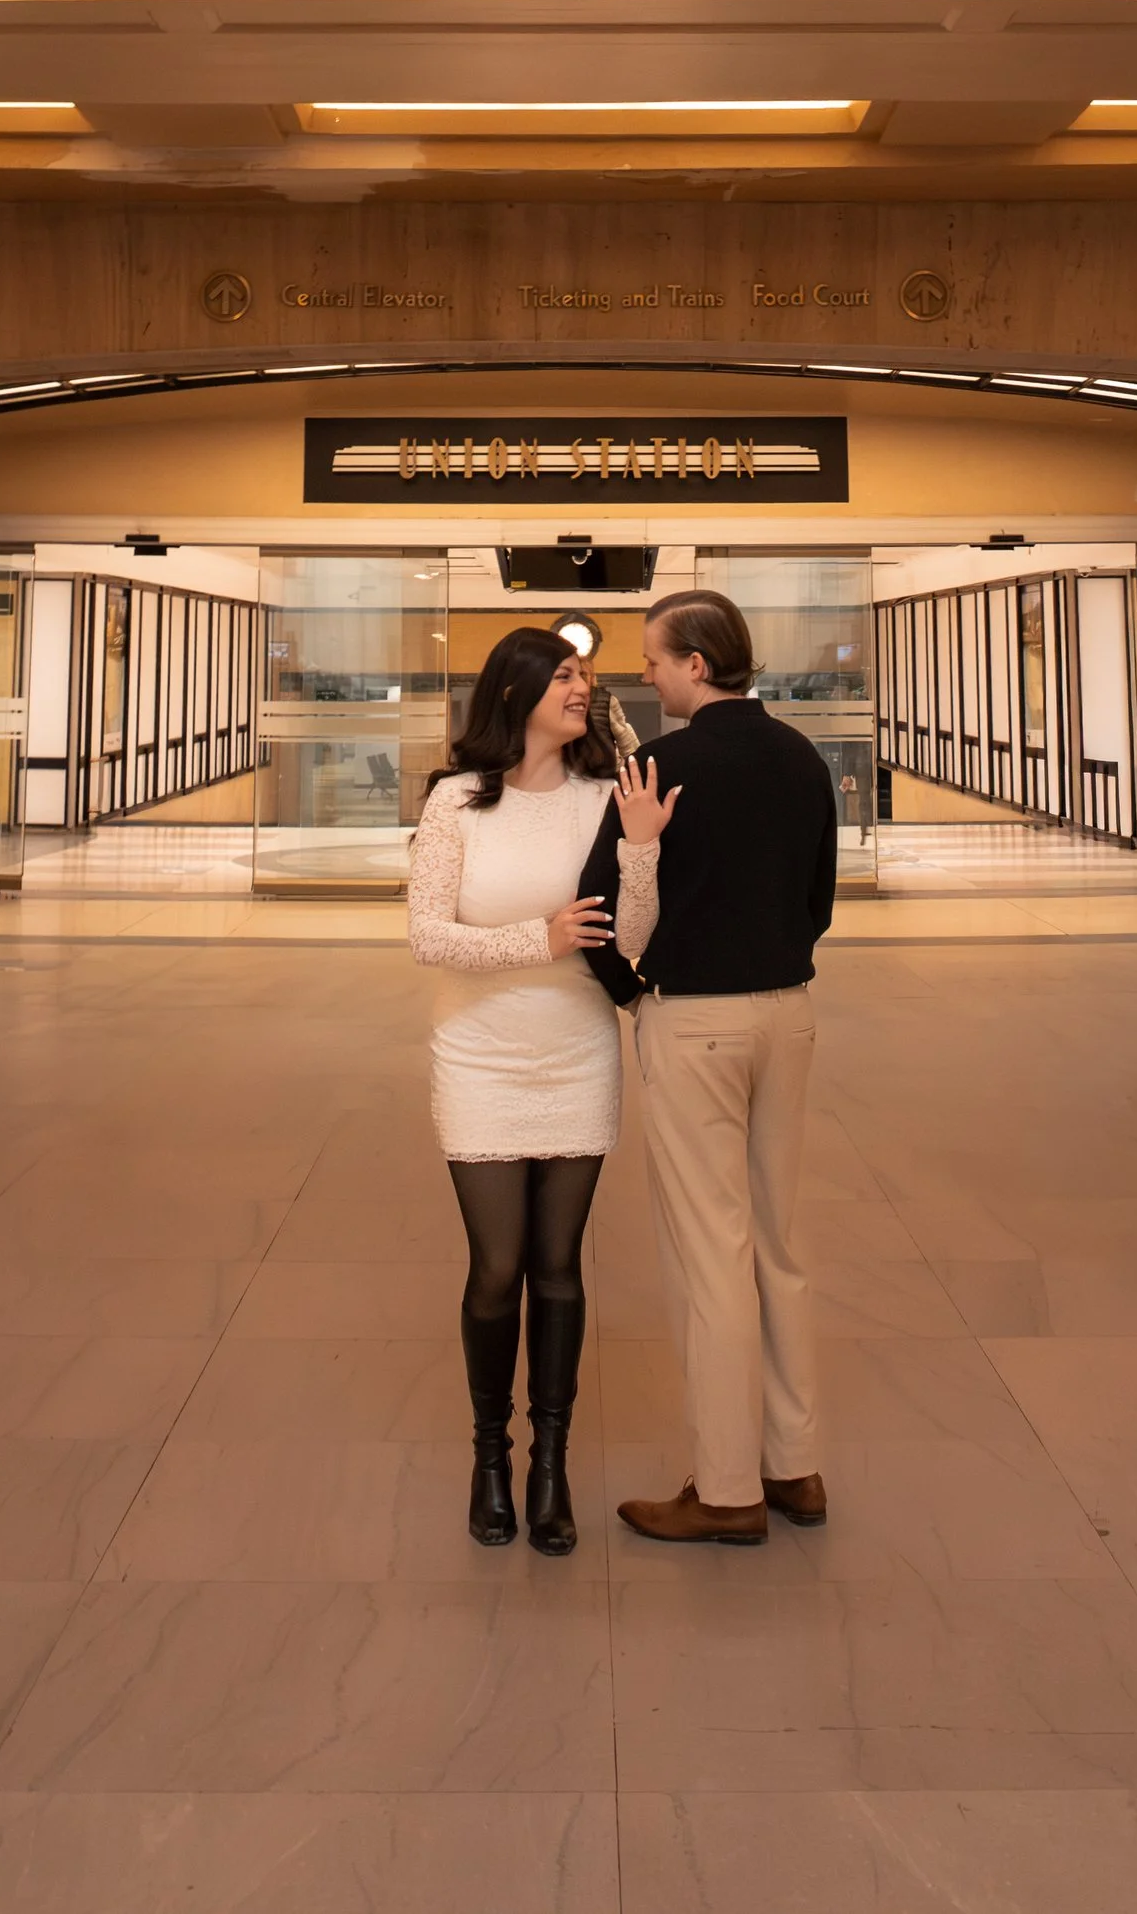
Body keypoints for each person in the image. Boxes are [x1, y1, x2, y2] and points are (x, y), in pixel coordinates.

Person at [577, 585, 838, 1546]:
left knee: (710, 1255)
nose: (645, 676)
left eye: (653, 660)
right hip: (790, 1016)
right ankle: (794, 1467)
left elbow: (599, 905)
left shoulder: (660, 765)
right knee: (780, 1243)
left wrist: (627, 990)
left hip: (695, 1024)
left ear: (695, 663)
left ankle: (726, 1490)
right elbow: (818, 902)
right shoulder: (803, 758)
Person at [406, 627, 663, 1553]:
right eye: (565, 675)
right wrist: (537, 941)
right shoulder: (455, 804)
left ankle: (548, 1463)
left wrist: (638, 850)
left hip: (577, 1051)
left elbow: (627, 937)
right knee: (496, 1268)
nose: (583, 687)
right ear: (514, 693)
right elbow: (429, 936)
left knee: (560, 1268)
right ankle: (489, 1455)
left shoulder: (604, 798)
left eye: (584, 673)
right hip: (478, 1054)